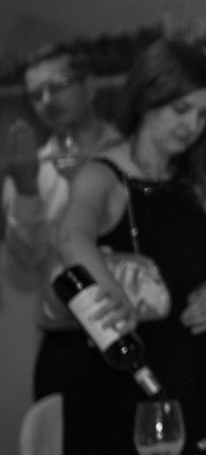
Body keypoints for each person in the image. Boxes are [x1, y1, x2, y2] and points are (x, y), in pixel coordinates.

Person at [50, 39, 206, 455]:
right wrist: (111, 291)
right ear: (146, 99)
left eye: (202, 114)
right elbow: (71, 236)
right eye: (180, 109)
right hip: (120, 386)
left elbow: (189, 264)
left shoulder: (188, 183)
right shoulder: (102, 173)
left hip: (189, 373)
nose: (192, 126)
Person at [2, 44, 122, 399]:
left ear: (90, 86)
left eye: (58, 85)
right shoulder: (31, 168)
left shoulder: (131, 155)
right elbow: (24, 265)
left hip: (136, 330)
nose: (47, 100)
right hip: (65, 343)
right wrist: (25, 189)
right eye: (35, 95)